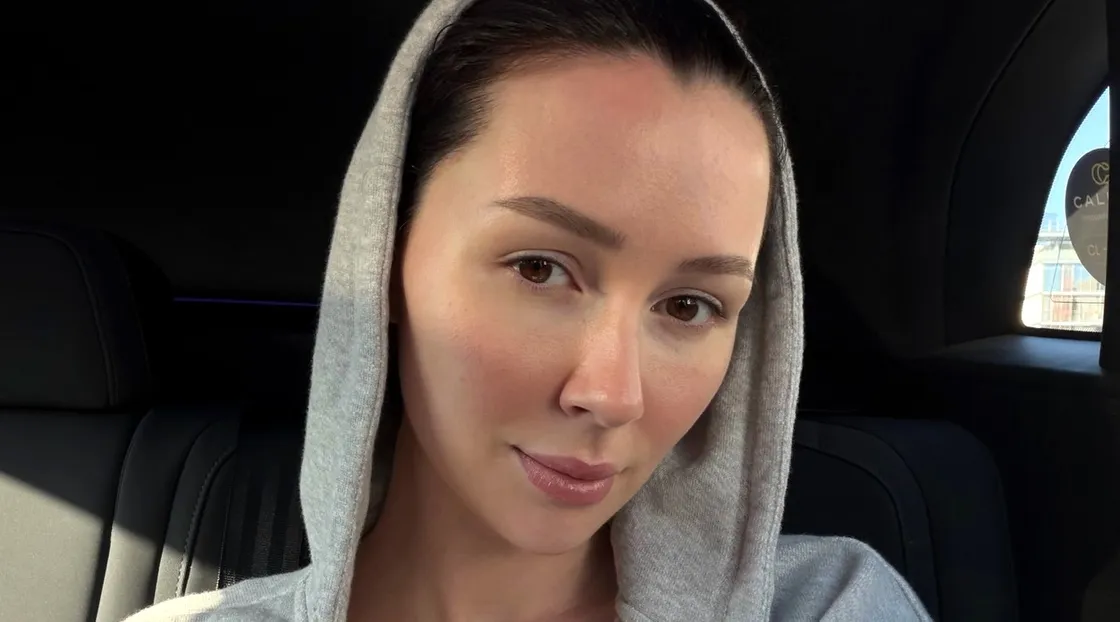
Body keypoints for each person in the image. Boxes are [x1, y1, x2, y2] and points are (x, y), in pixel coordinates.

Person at [128, 0, 931, 620]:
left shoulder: (832, 605)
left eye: (689, 305)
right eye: (540, 269)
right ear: (385, 258)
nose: (613, 394)